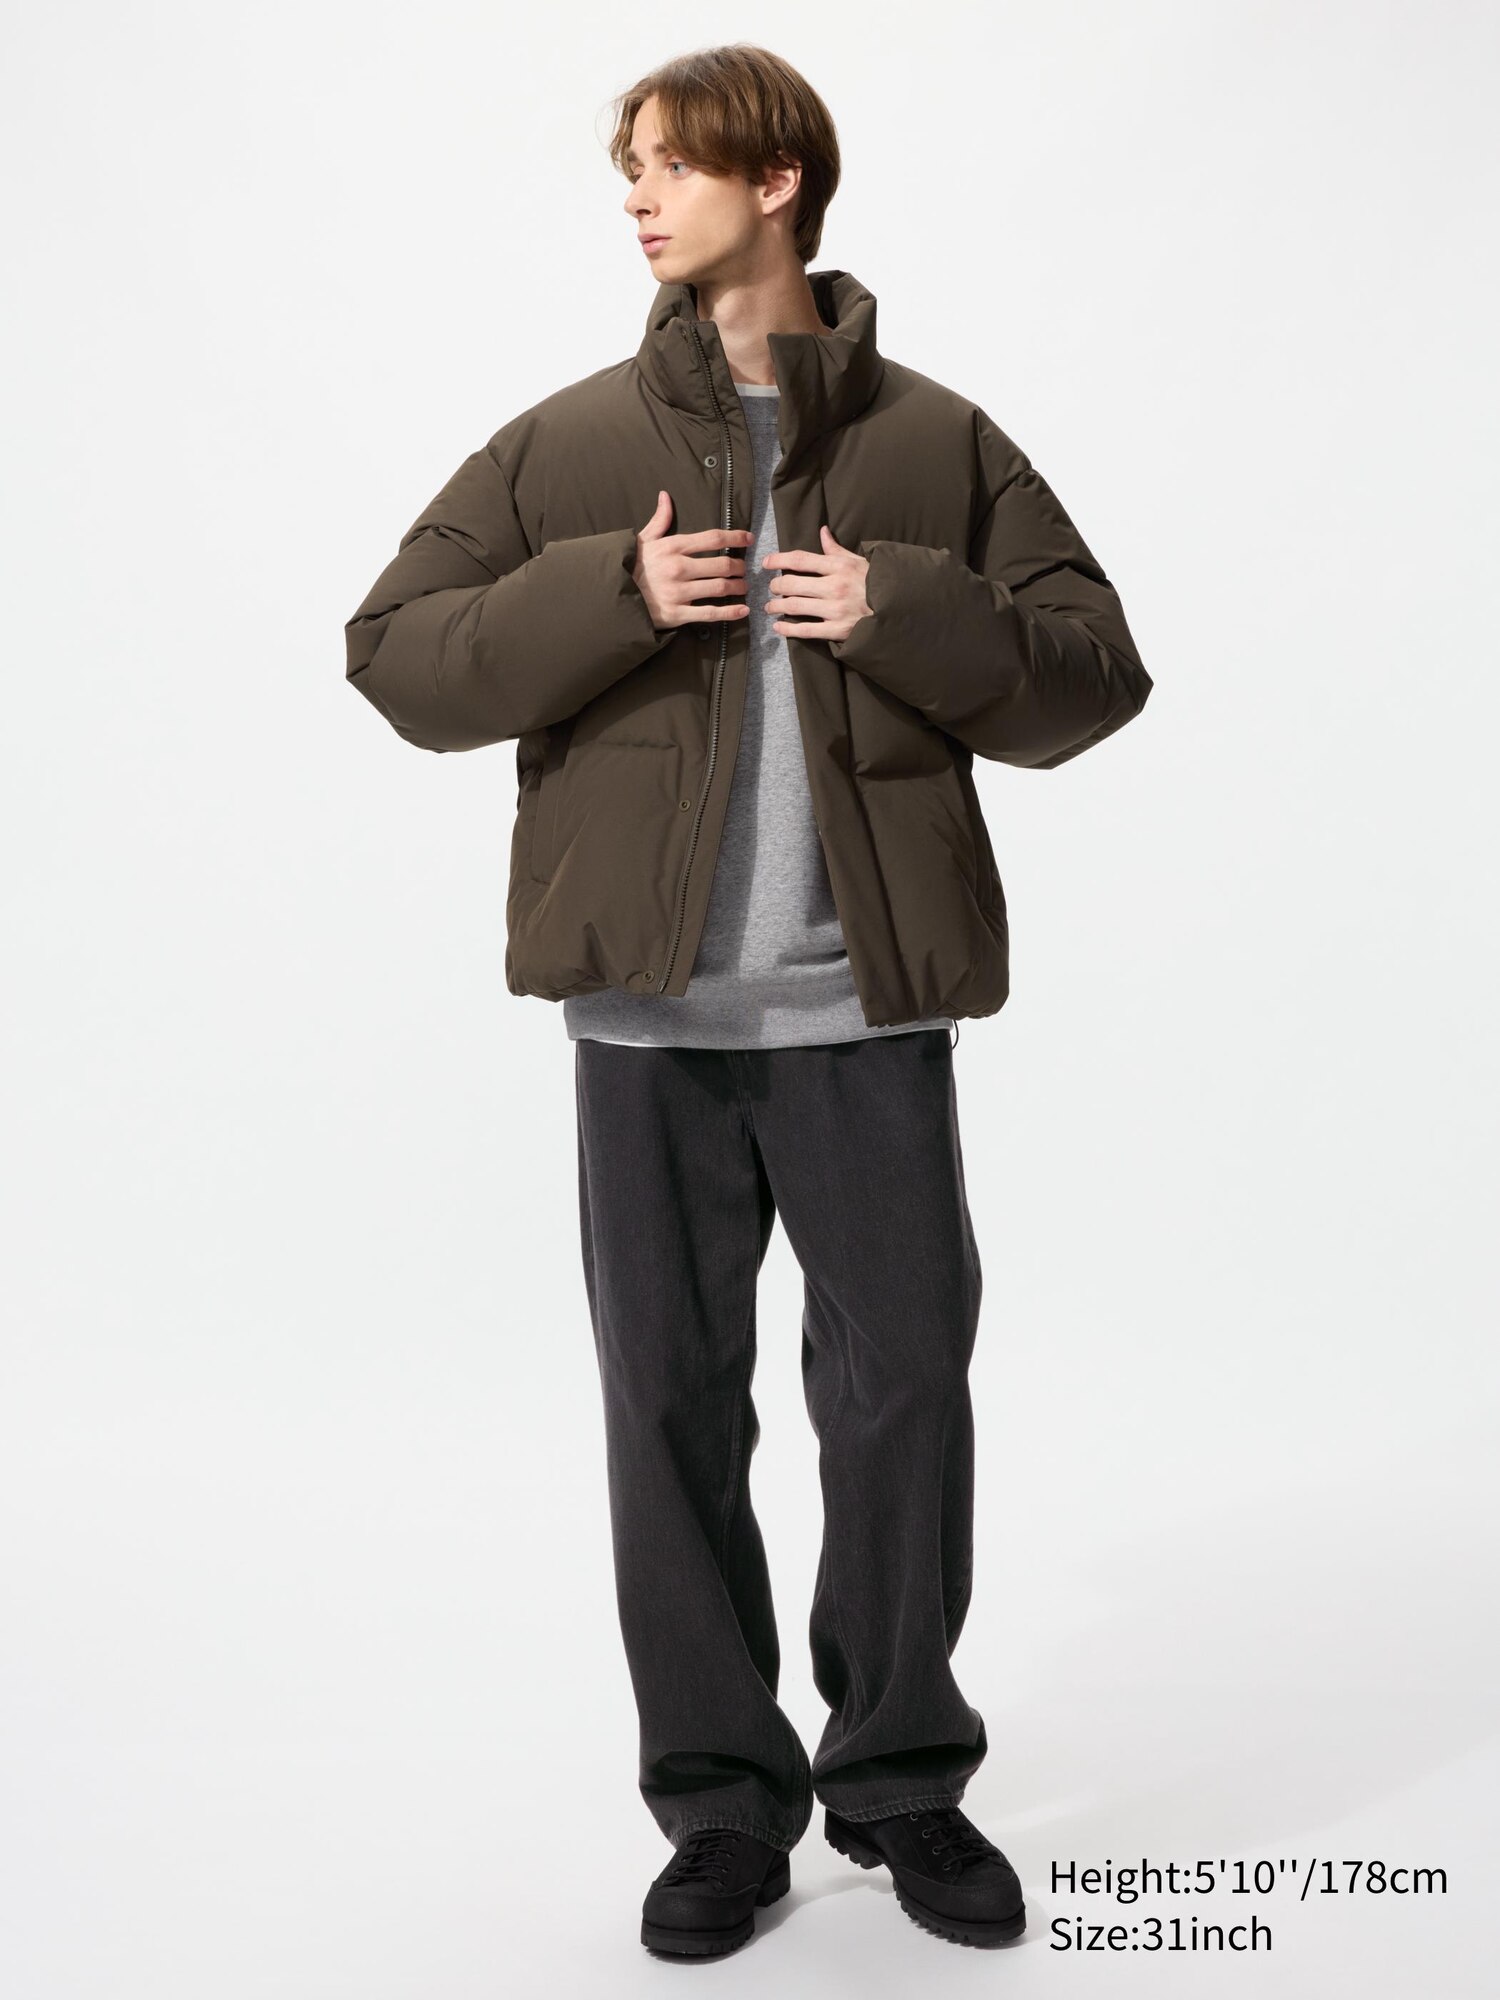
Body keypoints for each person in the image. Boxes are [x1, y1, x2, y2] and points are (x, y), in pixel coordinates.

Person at [344, 41, 1152, 1960]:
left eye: (669, 163)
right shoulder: (566, 444)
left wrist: (906, 611)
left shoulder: (938, 440)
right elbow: (395, 657)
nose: (635, 197)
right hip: (648, 1032)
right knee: (670, 1416)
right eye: (625, 166)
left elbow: (1096, 673)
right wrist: (609, 593)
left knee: (905, 1398)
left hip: (865, 1018)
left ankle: (901, 1778)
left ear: (776, 178)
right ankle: (719, 1806)